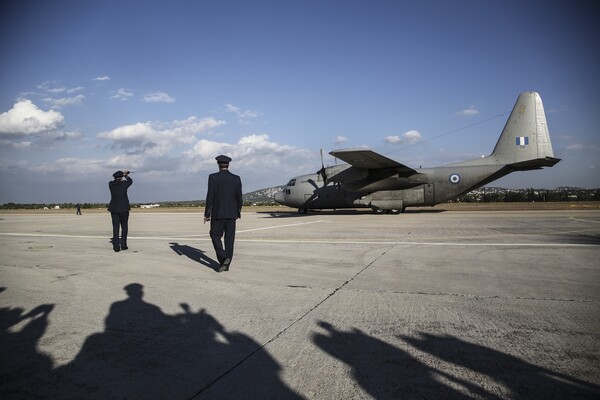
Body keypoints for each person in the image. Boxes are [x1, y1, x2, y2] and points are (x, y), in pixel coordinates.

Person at [204, 155, 242, 272]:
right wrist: (238, 210)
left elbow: (210, 196)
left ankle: (223, 257)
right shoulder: (236, 178)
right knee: (229, 240)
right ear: (228, 164)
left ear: (218, 164)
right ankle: (226, 264)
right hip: (232, 214)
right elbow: (239, 197)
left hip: (218, 214)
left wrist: (207, 213)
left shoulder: (213, 177)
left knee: (215, 235)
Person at [108, 170, 132, 252]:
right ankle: (124, 245)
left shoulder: (111, 184)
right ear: (121, 177)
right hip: (124, 209)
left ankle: (116, 246)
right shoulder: (124, 184)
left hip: (114, 209)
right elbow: (130, 181)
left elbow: (115, 181)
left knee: (115, 228)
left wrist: (122, 175)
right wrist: (126, 175)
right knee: (124, 227)